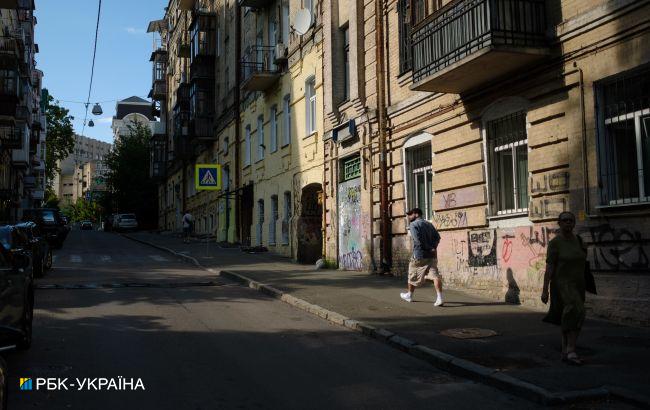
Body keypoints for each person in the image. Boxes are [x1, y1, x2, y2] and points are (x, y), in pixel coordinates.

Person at [541, 211, 587, 366]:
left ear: (574, 224)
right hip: (562, 284)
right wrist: (545, 290)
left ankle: (565, 349)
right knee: (577, 310)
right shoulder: (555, 243)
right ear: (559, 223)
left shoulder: (579, 241)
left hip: (578, 284)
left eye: (571, 220)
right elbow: (549, 268)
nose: (568, 223)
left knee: (570, 315)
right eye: (565, 220)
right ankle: (571, 349)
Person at [400, 208, 444, 307]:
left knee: (412, 274)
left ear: (416, 214)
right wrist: (433, 248)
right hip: (431, 255)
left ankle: (409, 295)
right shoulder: (429, 224)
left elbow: (417, 240)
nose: (409, 216)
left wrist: (428, 248)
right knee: (435, 276)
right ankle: (440, 298)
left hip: (419, 255)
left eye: (410, 214)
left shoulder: (413, 224)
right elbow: (438, 237)